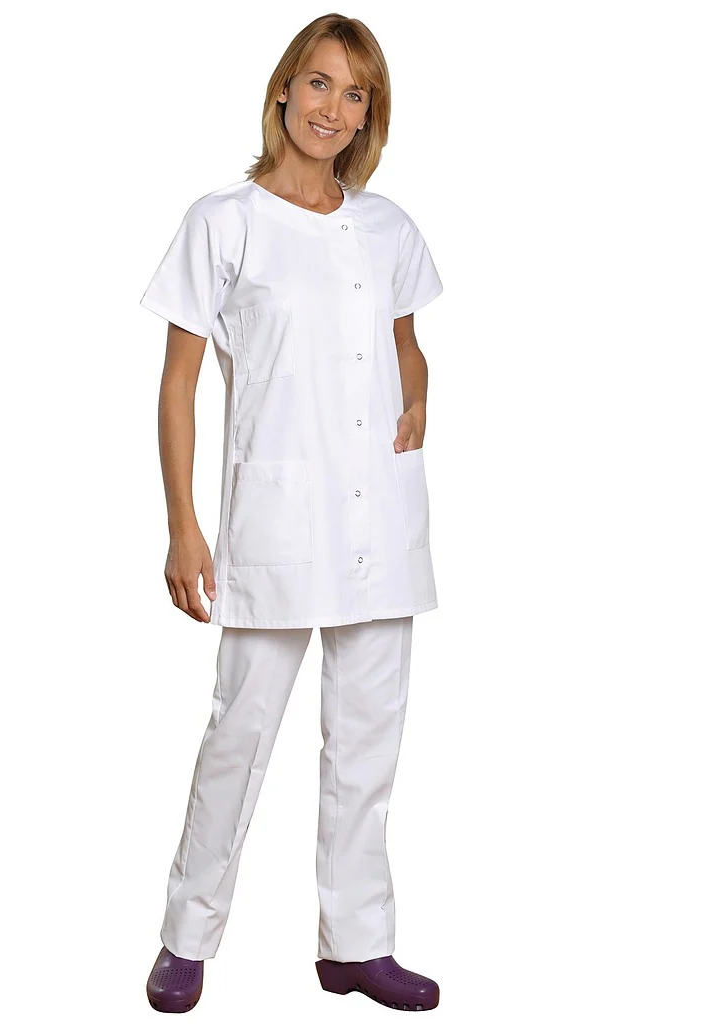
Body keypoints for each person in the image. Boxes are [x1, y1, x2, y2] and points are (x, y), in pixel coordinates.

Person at [139, 14, 444, 1014]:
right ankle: (187, 936)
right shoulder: (223, 221)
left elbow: (407, 346)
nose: (333, 108)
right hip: (276, 517)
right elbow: (179, 384)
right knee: (239, 734)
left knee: (368, 743)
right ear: (282, 89)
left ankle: (357, 945)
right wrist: (183, 524)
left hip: (381, 521)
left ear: (368, 116)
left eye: (356, 94)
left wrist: (417, 397)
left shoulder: (388, 227)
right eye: (319, 83)